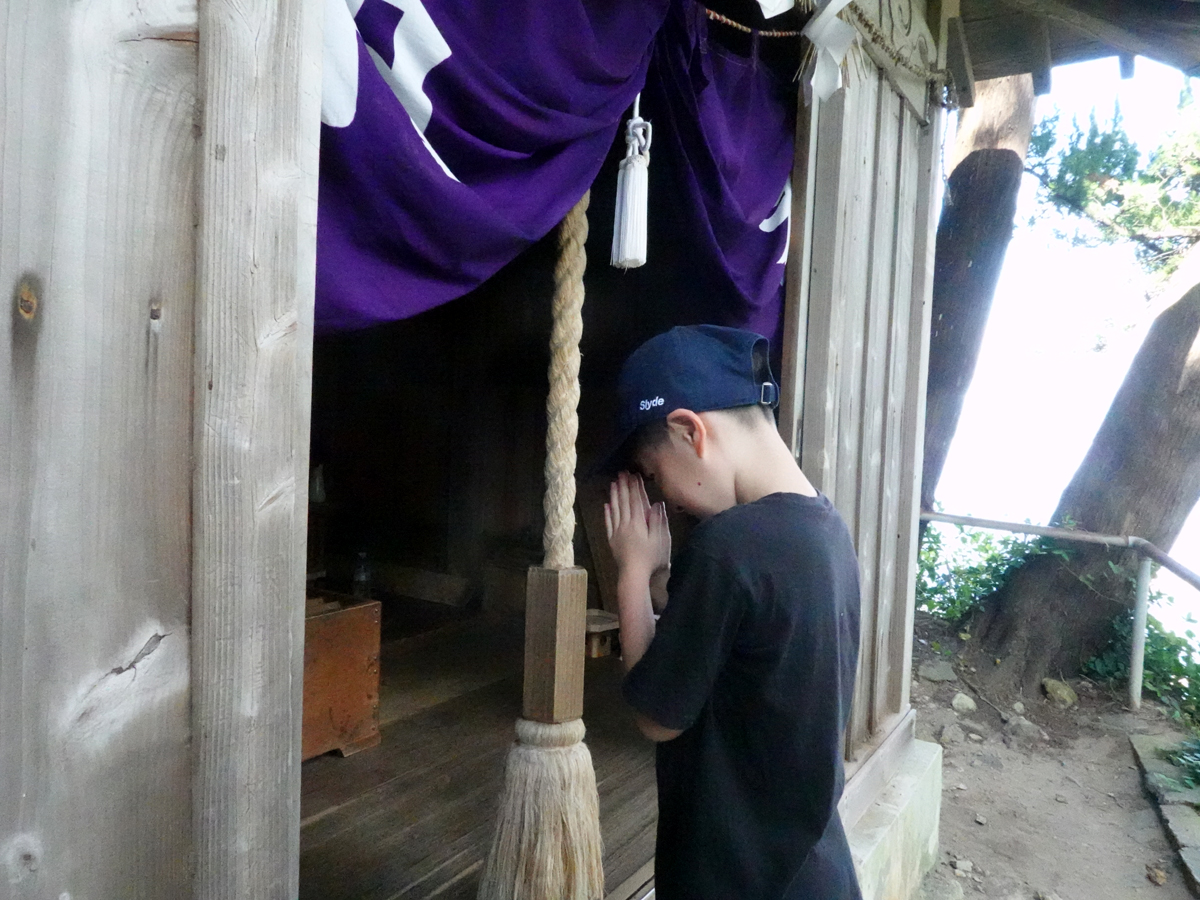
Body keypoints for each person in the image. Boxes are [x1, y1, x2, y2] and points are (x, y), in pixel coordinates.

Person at [602, 324, 863, 899]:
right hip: (811, 865)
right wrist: (666, 579)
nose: (665, 498)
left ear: (690, 431)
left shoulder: (728, 545)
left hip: (736, 875)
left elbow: (656, 716)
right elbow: (740, 639)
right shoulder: (825, 530)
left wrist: (631, 573)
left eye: (654, 475)